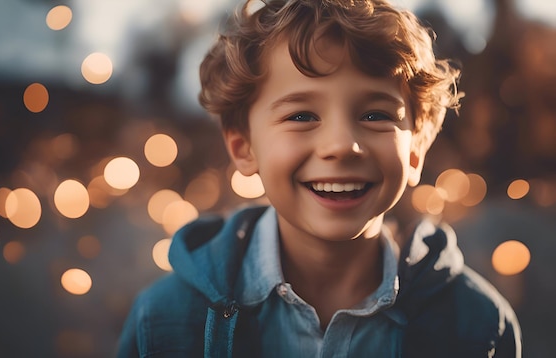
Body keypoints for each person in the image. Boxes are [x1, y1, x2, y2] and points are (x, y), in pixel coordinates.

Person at [117, 0, 522, 356]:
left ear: (416, 149)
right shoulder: (163, 320)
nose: (342, 146)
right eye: (301, 116)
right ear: (244, 147)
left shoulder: (480, 326)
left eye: (375, 115)